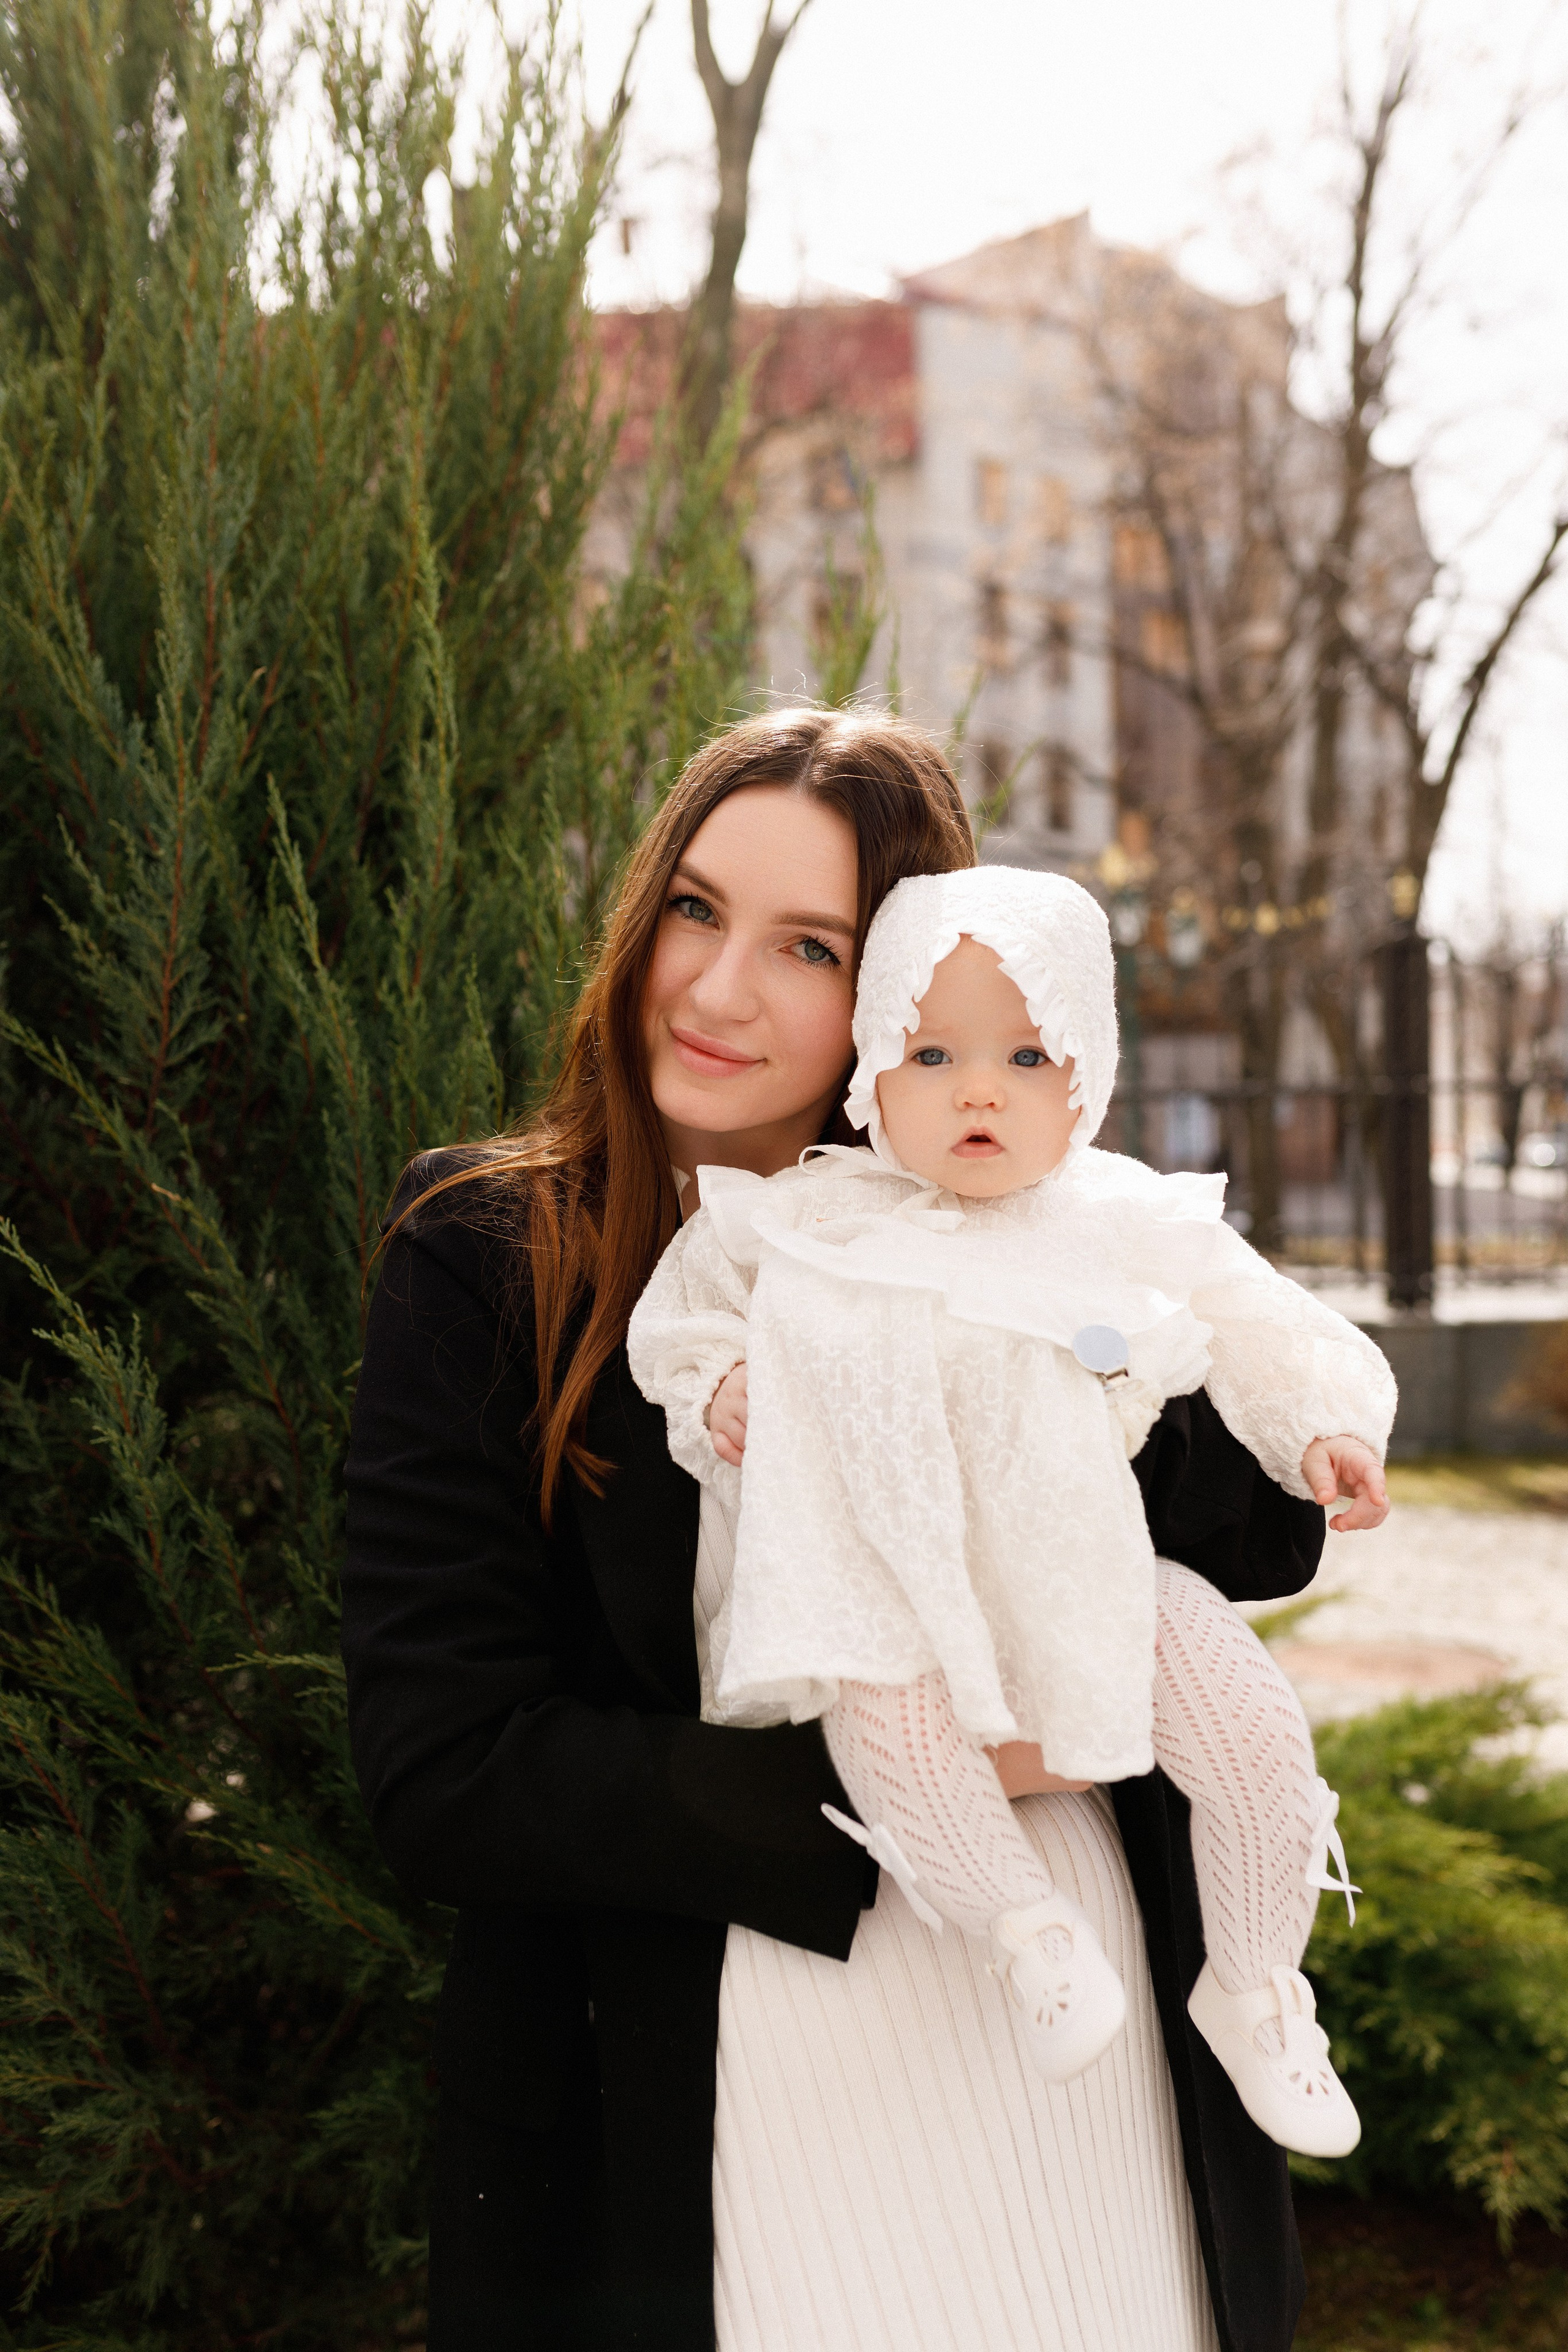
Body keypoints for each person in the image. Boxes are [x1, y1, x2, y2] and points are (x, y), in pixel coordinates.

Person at [341, 708, 1335, 2352]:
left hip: (1084, 2082)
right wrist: (929, 1773)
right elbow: (447, 1774)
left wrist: (1048, 1305)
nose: (722, 987)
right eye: (693, 908)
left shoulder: (1032, 1216)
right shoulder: (485, 1259)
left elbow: (1265, 1521)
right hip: (732, 2059)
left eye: (808, 945)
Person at [628, 862, 1393, 2165]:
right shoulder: (809, 1213)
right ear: (871, 1072)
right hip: (893, 1586)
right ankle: (1025, 1933)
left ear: (1083, 1079)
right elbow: (682, 1318)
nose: (976, 1088)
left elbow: (1260, 1326)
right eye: (930, 1053)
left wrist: (1322, 1423)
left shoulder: (1124, 1219)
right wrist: (721, 1389)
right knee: (889, 1730)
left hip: (1092, 1568)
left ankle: (1258, 1984)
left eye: (1025, 1055)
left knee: (1250, 1727)